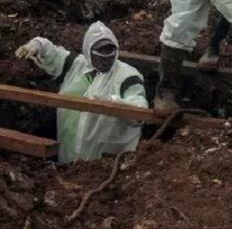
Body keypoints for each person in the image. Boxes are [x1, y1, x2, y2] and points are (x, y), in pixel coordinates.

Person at [15, 22, 148, 163]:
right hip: (69, 145)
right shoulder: (77, 65)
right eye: (100, 51)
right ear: (88, 51)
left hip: (104, 160)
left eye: (109, 50)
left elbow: (139, 108)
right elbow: (53, 54)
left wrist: (113, 102)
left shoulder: (127, 75)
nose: (105, 57)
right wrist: (38, 45)